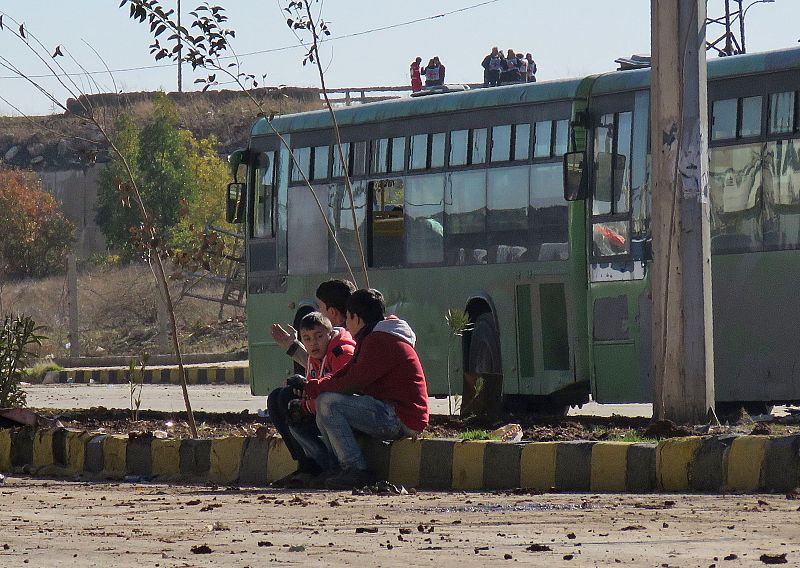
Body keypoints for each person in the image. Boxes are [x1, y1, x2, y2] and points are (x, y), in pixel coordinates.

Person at [300, 288, 428, 489]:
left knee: (327, 403)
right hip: (390, 411)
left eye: (348, 318)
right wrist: (313, 387)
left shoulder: (379, 340)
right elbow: (347, 372)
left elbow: (353, 382)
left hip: (401, 417)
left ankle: (357, 470)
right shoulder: (373, 336)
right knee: (323, 401)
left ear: (356, 318)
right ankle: (338, 469)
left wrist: (315, 389)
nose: (345, 325)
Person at [267, 311, 356, 488]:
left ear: (330, 334)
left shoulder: (342, 353)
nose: (313, 342)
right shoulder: (314, 358)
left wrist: (306, 405)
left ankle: (323, 467)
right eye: (307, 339)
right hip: (322, 408)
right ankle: (305, 465)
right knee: (278, 397)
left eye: (319, 336)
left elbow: (340, 392)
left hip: (341, 413)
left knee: (291, 408)